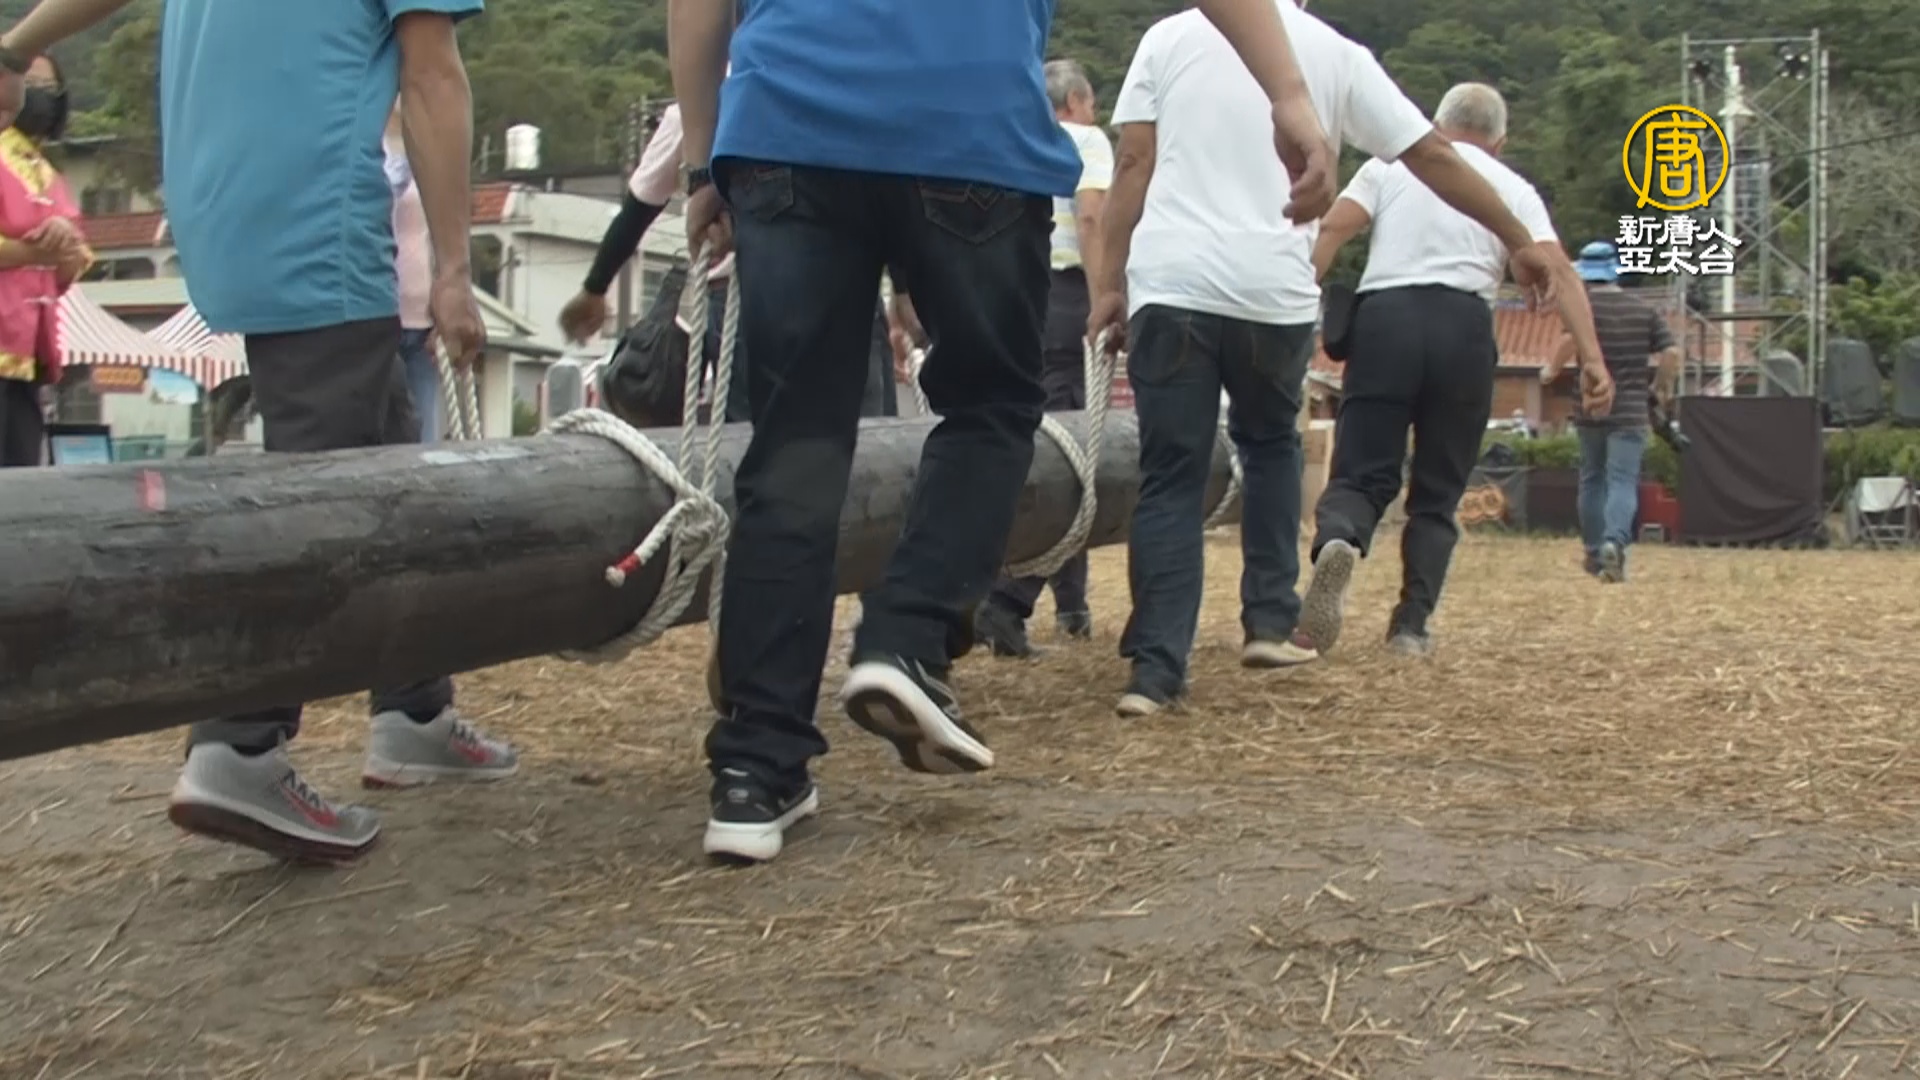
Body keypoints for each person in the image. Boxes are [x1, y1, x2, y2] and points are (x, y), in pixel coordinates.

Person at [668, 0, 1338, 863]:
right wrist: (1287, 93)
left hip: (789, 122)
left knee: (796, 442)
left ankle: (755, 773)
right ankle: (906, 638)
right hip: (967, 117)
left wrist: (702, 159)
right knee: (990, 407)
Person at [2, 0, 518, 863]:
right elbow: (431, 73)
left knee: (391, 454)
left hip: (215, 196)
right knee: (320, 493)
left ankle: (413, 708)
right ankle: (239, 744)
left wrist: (19, 44)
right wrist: (456, 270)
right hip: (315, 209)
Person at [1090, 3, 1574, 718]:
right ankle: (1268, 621)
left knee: (1171, 475)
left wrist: (1108, 281)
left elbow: (1133, 163)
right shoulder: (1335, 53)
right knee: (1269, 447)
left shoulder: (1167, 36)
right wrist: (1517, 238)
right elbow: (1432, 155)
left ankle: (1156, 671)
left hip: (1173, 283)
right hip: (1273, 292)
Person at [1298, 83, 1613, 658]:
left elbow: (1335, 228)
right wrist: (1591, 360)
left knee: (1361, 473)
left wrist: (1297, 294)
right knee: (1437, 491)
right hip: (1464, 328)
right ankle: (1410, 626)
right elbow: (1560, 272)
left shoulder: (1389, 167)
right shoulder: (1511, 188)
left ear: (1436, 125)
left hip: (1386, 321)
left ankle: (1340, 538)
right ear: (1500, 142)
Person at [557, 102, 897, 423]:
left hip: (746, 303)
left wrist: (594, 289)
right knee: (870, 437)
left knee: (755, 442)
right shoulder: (830, 90)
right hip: (844, 283)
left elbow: (636, 213)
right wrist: (902, 289)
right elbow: (888, 193)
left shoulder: (694, 109)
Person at [972, 58, 1111, 658]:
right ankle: (1005, 600)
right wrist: (1106, 296)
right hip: (1068, 297)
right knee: (1071, 452)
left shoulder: (1014, 138)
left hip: (1015, 298)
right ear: (1075, 101)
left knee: (1053, 440)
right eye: (1092, 102)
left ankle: (1072, 604)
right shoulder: (1085, 140)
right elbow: (1091, 214)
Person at [1541, 240, 1679, 583]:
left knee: (1592, 478)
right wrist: (1660, 387)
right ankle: (1614, 543)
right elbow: (1672, 353)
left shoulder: (1582, 309)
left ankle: (1592, 551)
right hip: (1631, 410)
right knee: (1622, 481)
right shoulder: (1642, 309)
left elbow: (1568, 342)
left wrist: (1550, 371)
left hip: (1589, 407)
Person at [0, 53, 85, 468]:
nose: (41, 97)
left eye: (50, 88)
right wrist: (35, 252)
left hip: (28, 352)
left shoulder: (49, 175)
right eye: (31, 84)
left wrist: (64, 243)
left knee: (20, 475)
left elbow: (72, 265)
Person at [385, 102, 440, 441]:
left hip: (423, 320)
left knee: (424, 435)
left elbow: (441, 233)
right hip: (379, 314)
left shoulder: (427, 144)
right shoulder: (363, 141)